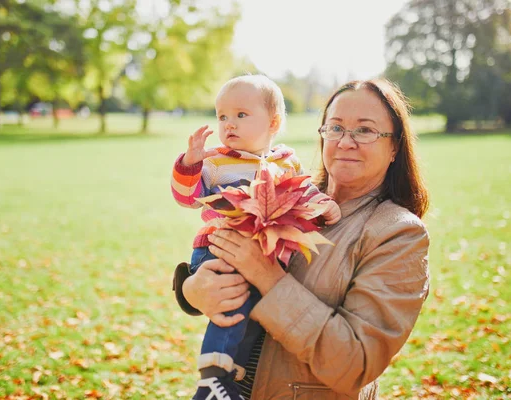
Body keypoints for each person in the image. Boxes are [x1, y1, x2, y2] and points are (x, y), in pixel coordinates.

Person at [173, 78, 431, 399]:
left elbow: (358, 362)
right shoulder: (288, 194)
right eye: (335, 128)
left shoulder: (398, 233)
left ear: (394, 146)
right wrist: (190, 291)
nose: (346, 142)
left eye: (364, 130)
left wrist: (267, 278)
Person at [170, 74, 342, 400]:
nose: (228, 124)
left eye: (241, 115)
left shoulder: (286, 161)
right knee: (232, 302)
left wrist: (323, 205)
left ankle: (230, 376)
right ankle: (213, 375)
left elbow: (301, 193)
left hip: (264, 249)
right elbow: (186, 197)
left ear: (273, 121)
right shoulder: (216, 161)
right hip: (219, 245)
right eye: (222, 116)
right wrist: (189, 164)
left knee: (253, 312)